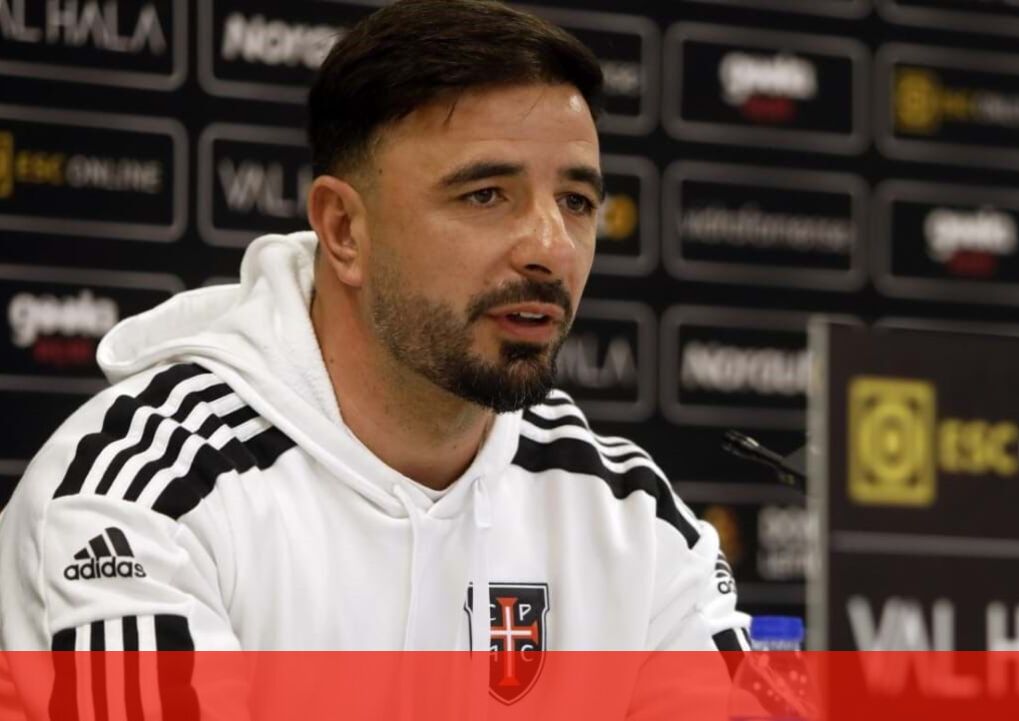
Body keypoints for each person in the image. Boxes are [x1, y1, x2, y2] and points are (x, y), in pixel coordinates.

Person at [0, 0, 748, 693]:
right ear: (344, 230)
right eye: (486, 195)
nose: (550, 248)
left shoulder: (631, 515)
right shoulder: (146, 495)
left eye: (577, 202)